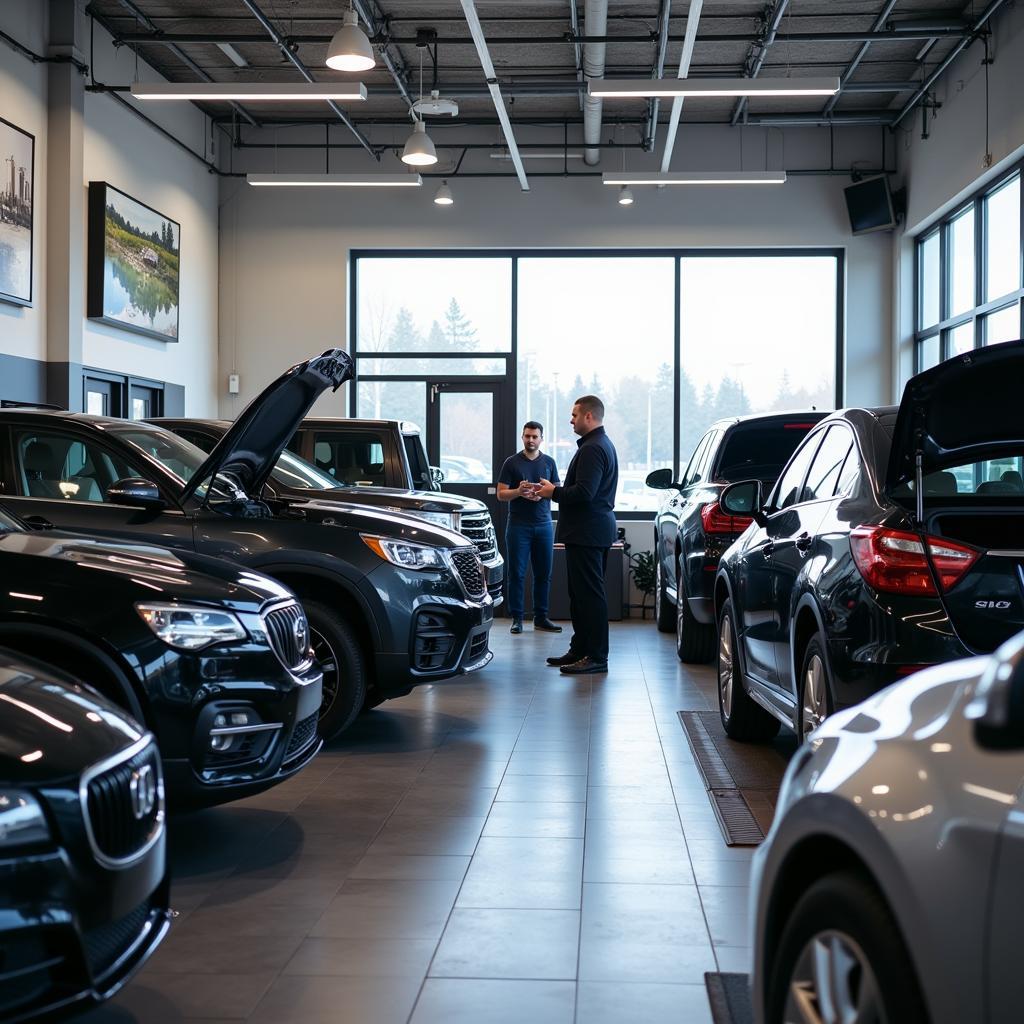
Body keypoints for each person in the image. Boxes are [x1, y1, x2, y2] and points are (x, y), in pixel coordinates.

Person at [535, 395, 618, 674]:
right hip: (590, 531)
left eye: (574, 415)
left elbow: (584, 493)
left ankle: (596, 657)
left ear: (589, 417)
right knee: (580, 595)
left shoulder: (594, 449)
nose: (570, 420)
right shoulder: (598, 445)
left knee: (590, 596)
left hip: (588, 533)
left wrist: (552, 492)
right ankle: (580, 649)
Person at [497, 421, 563, 635]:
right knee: (516, 573)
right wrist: (519, 491)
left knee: (544, 573)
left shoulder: (549, 463)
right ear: (522, 437)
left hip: (544, 525)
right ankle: (517, 618)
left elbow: (557, 491)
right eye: (527, 436)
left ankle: (541, 617)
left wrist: (542, 492)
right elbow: (500, 494)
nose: (531, 440)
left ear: (541, 438)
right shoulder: (511, 463)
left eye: (535, 436)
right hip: (518, 526)